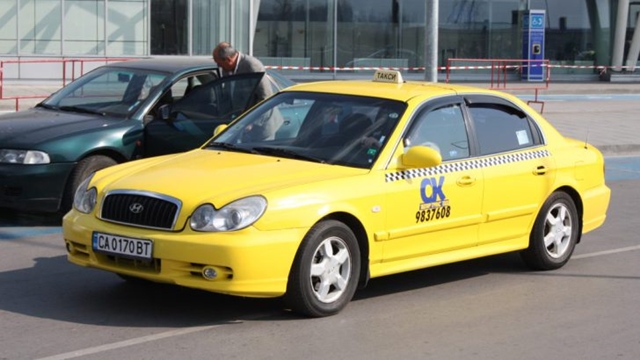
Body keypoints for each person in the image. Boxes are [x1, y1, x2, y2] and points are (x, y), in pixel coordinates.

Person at [212, 42, 282, 141]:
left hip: (261, 126)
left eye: (219, 63)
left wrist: (251, 121)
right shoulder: (227, 68)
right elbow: (227, 94)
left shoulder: (252, 65)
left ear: (228, 60)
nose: (219, 66)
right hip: (241, 125)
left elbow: (265, 97)